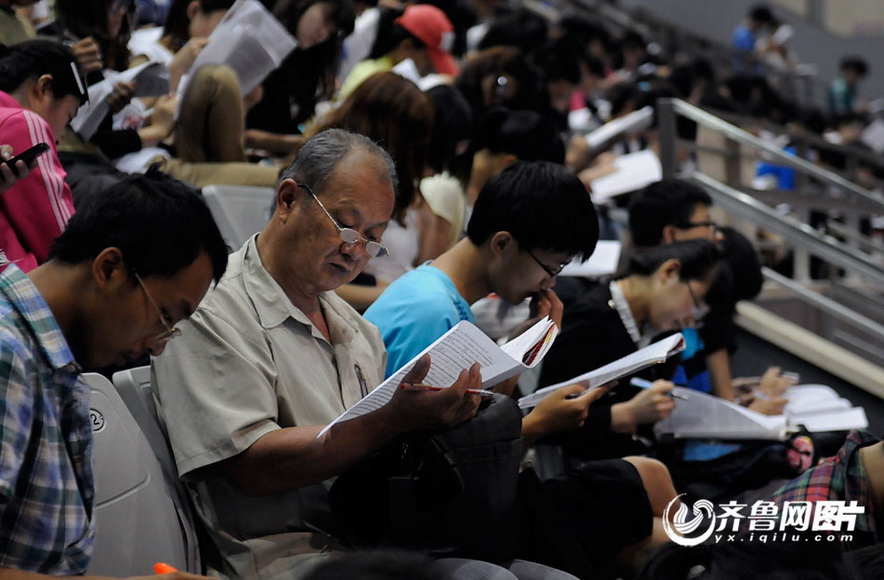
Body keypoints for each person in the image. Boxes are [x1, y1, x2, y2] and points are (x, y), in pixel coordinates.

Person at [151, 129, 541, 579]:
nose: (356, 250)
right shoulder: (214, 309)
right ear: (288, 200)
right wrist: (392, 419)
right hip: (287, 559)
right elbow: (251, 466)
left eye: (373, 237)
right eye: (346, 224)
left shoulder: (356, 328)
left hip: (373, 540)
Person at [364, 161, 676, 574]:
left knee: (641, 487)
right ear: (503, 243)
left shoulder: (440, 299)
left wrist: (525, 349)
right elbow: (426, 468)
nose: (550, 285)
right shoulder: (432, 315)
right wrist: (541, 425)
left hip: (462, 509)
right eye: (551, 268)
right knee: (644, 523)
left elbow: (465, 427)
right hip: (424, 528)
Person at [0, 168, 228, 578]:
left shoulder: (51, 360)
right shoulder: (8, 355)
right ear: (109, 268)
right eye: (165, 316)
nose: (158, 344)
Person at [538, 239, 723, 461]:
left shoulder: (665, 333)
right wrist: (624, 414)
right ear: (669, 272)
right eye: (696, 305)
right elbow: (541, 420)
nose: (690, 321)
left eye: (700, 319)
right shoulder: (588, 319)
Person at [0, 39, 86, 272]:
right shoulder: (24, 121)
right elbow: (64, 243)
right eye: (69, 117)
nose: (59, 138)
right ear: (44, 88)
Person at [338, 3, 458, 100]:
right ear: (408, 46)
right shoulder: (371, 79)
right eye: (428, 61)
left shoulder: (405, 82)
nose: (430, 71)